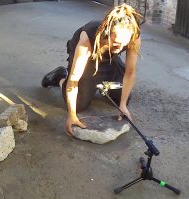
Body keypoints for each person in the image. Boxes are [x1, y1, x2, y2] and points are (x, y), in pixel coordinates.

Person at [41, 3, 142, 136]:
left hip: (110, 58)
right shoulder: (87, 39)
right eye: (117, 43)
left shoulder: (133, 36)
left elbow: (130, 73)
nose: (122, 46)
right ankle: (59, 76)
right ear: (107, 32)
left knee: (122, 98)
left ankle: (102, 83)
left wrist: (123, 105)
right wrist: (72, 115)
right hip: (90, 57)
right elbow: (74, 80)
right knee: (78, 105)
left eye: (125, 43)